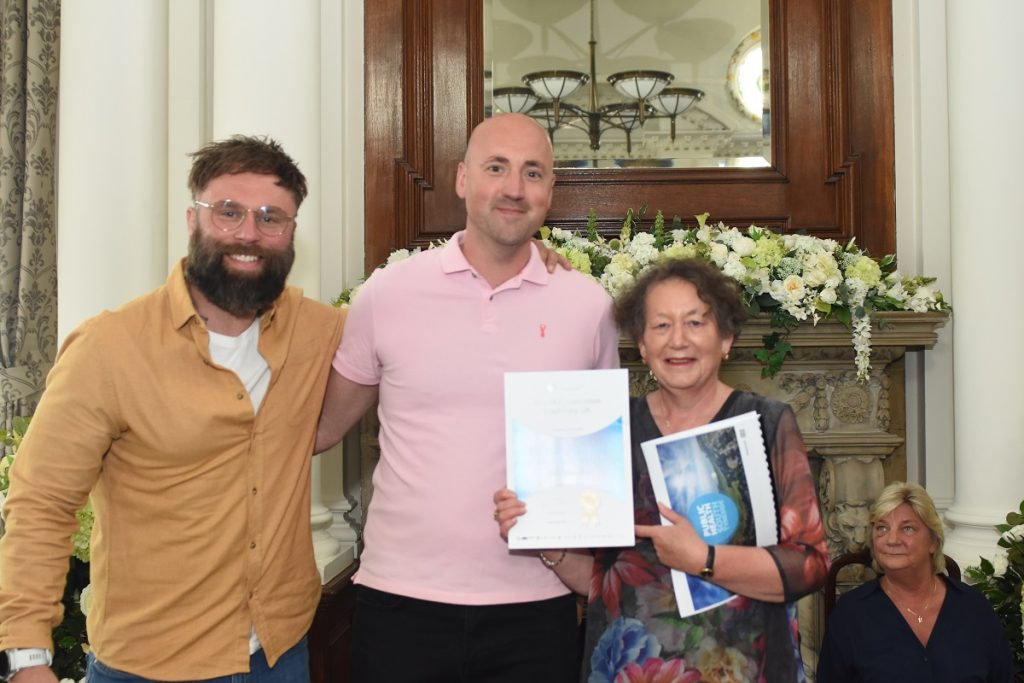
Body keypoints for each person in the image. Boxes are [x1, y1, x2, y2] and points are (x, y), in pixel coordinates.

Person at [0, 136, 345, 682]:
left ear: (292, 232)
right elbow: (41, 502)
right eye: (228, 212)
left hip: (280, 656)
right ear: (193, 219)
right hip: (148, 666)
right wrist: (27, 659)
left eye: (270, 217)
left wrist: (530, 261)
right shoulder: (109, 348)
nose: (249, 233)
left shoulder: (318, 332)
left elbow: (405, 327)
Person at [314, 112, 620, 682]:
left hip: (537, 606)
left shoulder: (587, 304)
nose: (513, 188)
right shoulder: (389, 292)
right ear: (461, 179)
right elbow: (321, 429)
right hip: (400, 601)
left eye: (533, 173)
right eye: (496, 167)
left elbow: (596, 460)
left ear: (551, 191)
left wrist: (584, 571)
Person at [495, 257, 830, 682]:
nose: (678, 341)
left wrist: (704, 559)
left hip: (744, 667)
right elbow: (602, 581)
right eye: (661, 326)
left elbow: (811, 566)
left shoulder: (766, 422)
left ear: (726, 338)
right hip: (630, 668)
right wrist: (539, 533)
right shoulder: (610, 428)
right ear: (642, 344)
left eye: (695, 323)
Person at [817, 481, 1013, 682]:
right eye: (882, 528)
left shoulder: (974, 609)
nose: (892, 540)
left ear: (933, 542)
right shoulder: (851, 615)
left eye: (907, 529)